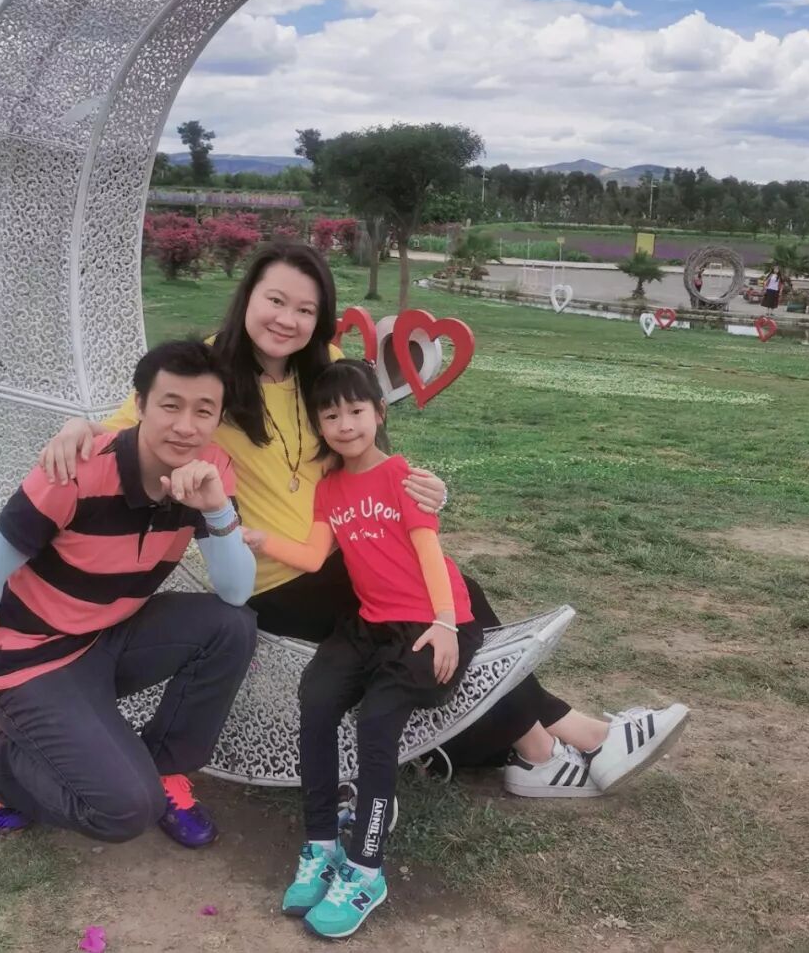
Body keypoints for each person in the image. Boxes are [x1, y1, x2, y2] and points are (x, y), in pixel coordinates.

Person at [42, 241, 688, 800]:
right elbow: (130, 423)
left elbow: (363, 447)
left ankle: (544, 749)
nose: (287, 320)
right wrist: (79, 428)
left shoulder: (322, 362)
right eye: (275, 300)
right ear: (248, 298)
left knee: (453, 597)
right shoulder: (210, 369)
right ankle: (574, 741)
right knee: (439, 611)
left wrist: (421, 487)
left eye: (305, 309)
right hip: (278, 577)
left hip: (346, 548)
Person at [0, 339, 257, 848]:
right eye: (171, 405)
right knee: (125, 811)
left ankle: (163, 769)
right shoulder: (74, 471)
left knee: (232, 626)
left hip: (108, 635)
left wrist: (217, 509)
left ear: (218, 419)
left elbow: (236, 591)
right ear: (140, 405)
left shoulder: (210, 472)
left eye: (204, 411)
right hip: (31, 657)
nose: (186, 426)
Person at [243, 358, 483, 937]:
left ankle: (366, 869)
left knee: (377, 722)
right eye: (330, 416)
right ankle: (321, 844)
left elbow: (429, 552)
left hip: (431, 623)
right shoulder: (329, 488)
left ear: (378, 413)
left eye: (356, 411)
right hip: (369, 623)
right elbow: (311, 557)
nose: (345, 424)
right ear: (320, 426)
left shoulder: (403, 477)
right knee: (316, 699)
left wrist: (446, 623)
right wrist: (256, 537)